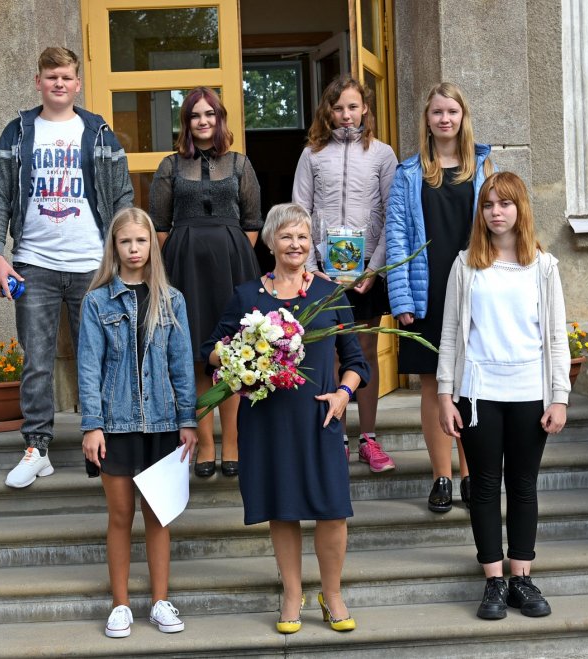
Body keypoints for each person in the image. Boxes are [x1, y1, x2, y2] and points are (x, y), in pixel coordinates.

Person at [203, 203, 369, 634]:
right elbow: (212, 350)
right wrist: (241, 356)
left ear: (311, 243)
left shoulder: (329, 293)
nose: (295, 244)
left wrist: (343, 394)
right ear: (270, 242)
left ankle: (332, 593)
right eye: (286, 236)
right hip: (268, 421)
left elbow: (355, 362)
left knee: (333, 510)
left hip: (319, 418)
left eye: (302, 237)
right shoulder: (247, 296)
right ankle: (292, 595)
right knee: (283, 508)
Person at [0, 46, 134, 488]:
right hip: (34, 264)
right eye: (51, 77)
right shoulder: (17, 132)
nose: (59, 84)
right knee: (37, 359)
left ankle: (106, 443)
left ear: (77, 83)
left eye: (66, 77)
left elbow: (123, 196)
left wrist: (121, 252)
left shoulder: (99, 132)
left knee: (103, 355)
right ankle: (37, 448)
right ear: (39, 82)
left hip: (93, 264)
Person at [437, 172, 569, 621]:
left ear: (520, 209)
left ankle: (521, 579)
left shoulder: (543, 267)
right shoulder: (465, 265)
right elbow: (451, 335)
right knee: (485, 485)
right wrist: (445, 394)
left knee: (524, 485)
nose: (496, 212)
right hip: (479, 393)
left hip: (530, 391)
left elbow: (556, 336)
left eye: (505, 203)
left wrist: (559, 397)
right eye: (489, 204)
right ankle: (493, 580)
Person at [77, 208, 198, 638]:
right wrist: (92, 425)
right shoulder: (97, 302)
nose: (134, 249)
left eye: (141, 241)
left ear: (152, 246)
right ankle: (121, 605)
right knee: (120, 515)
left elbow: (182, 364)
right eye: (125, 241)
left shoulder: (172, 300)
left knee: (159, 515)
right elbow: (88, 367)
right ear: (114, 246)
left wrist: (188, 420)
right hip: (115, 425)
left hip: (163, 423)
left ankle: (161, 601)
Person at [385, 82, 495, 513]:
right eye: (437, 112)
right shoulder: (409, 173)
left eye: (452, 111)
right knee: (433, 385)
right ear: (427, 120)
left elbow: (499, 228)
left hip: (473, 290)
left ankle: (470, 475)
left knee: (468, 386)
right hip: (426, 291)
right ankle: (441, 477)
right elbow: (396, 237)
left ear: (463, 117)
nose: (445, 119)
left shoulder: (482, 167)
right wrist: (401, 300)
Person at [149, 87, 262, 479]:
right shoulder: (170, 165)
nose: (203, 121)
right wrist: (184, 256)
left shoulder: (240, 163)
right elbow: (160, 225)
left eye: (209, 114)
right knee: (197, 353)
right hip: (185, 269)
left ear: (219, 119)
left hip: (233, 268)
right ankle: (206, 444)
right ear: (186, 122)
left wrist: (229, 254)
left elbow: (252, 222)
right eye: (195, 115)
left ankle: (231, 441)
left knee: (231, 354)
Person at [292, 75, 399, 473]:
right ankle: (335, 436)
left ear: (365, 108)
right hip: (322, 274)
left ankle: (368, 438)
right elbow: (299, 213)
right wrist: (311, 269)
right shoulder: (312, 154)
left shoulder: (382, 154)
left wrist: (373, 269)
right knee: (331, 354)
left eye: (353, 106)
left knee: (365, 352)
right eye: (338, 108)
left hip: (366, 273)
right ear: (329, 111)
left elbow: (392, 215)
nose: (346, 114)